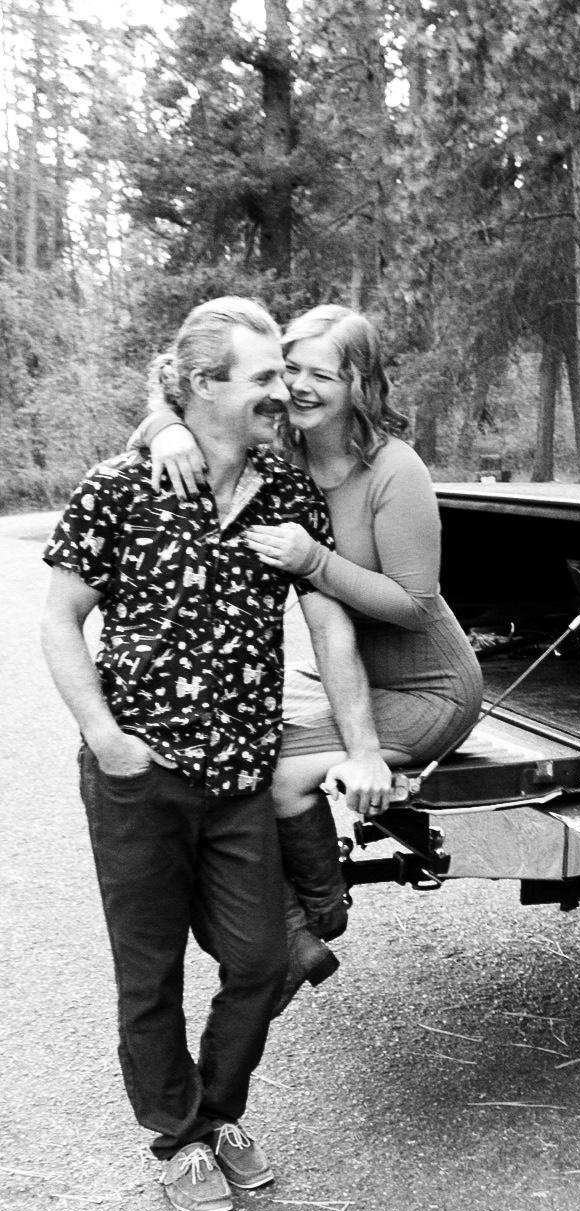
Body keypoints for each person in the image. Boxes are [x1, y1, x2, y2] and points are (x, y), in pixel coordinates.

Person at [41, 297, 393, 1211]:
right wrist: (107, 738)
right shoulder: (122, 486)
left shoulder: (285, 493)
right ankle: (180, 1138)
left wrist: (363, 746)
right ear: (202, 385)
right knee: (149, 972)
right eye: (265, 376)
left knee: (261, 959)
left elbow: (331, 627)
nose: (284, 391)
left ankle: (216, 1110)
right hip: (140, 780)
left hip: (241, 777)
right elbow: (60, 620)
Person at [135, 304, 484, 1002]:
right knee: (223, 745)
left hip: (431, 688)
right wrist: (164, 426)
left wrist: (315, 560)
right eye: (290, 368)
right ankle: (294, 931)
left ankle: (315, 918)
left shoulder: (394, 469)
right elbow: (196, 401)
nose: (297, 386)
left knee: (273, 774)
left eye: (321, 375)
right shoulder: (283, 451)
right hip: (352, 677)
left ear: (359, 384)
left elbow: (415, 604)